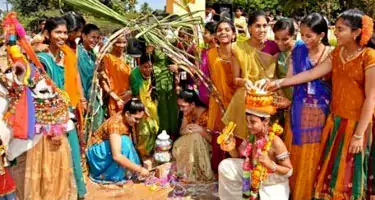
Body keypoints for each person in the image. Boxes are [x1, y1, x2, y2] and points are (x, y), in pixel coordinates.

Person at [266, 9, 375, 199]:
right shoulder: (338, 54)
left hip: (357, 124)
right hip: (336, 120)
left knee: (351, 173)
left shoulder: (369, 57)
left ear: (356, 32)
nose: (336, 33)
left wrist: (359, 135)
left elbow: (371, 98)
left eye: (341, 29)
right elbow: (310, 74)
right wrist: (278, 83)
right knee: (333, 173)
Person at [283, 13, 332, 200]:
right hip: (298, 112)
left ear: (321, 35)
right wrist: (277, 87)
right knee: (295, 155)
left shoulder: (331, 54)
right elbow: (290, 78)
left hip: (320, 114)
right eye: (302, 35)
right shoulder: (298, 51)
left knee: (313, 156)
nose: (304, 40)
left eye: (309, 36)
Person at [37, 17, 87, 198]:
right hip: (50, 118)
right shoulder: (42, 60)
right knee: (54, 161)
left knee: (73, 155)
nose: (62, 36)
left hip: (67, 114)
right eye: (57, 32)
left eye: (65, 32)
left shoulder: (66, 55)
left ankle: (77, 193)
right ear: (47, 34)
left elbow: (73, 78)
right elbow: (41, 95)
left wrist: (79, 99)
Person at [219, 90, 292, 200]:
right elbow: (238, 157)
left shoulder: (275, 141)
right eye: (247, 121)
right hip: (251, 173)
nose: (248, 125)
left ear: (266, 121)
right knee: (226, 166)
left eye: (253, 122)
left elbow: (289, 171)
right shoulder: (251, 136)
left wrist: (270, 164)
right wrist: (230, 145)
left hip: (272, 181)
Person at [223, 10, 279, 140]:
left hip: (266, 98)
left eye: (265, 26)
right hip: (245, 98)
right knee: (245, 142)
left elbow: (276, 76)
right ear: (249, 28)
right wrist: (244, 82)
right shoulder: (238, 48)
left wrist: (267, 81)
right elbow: (235, 79)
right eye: (257, 26)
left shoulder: (273, 47)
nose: (262, 30)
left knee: (267, 142)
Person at [86, 98, 149, 184]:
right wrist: (140, 169)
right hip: (98, 155)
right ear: (127, 114)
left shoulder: (125, 116)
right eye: (136, 119)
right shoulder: (115, 125)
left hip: (107, 147)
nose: (137, 122)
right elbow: (117, 156)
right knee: (125, 142)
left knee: (125, 141)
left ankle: (129, 171)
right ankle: (110, 175)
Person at [206, 20, 237, 172]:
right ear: (216, 35)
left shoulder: (239, 53)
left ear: (234, 34)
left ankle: (236, 173)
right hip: (218, 103)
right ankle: (219, 174)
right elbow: (205, 78)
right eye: (219, 30)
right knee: (219, 139)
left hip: (236, 102)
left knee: (236, 138)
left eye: (227, 29)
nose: (223, 32)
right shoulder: (210, 54)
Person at [172, 90, 213, 182]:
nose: (181, 109)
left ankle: (195, 171)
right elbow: (181, 131)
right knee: (190, 138)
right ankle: (187, 170)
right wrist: (185, 130)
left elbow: (212, 140)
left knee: (196, 136)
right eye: (180, 106)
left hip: (204, 150)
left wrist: (201, 131)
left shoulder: (207, 115)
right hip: (189, 147)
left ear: (193, 104)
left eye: (183, 106)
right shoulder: (187, 114)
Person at [130, 53, 159, 158]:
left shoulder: (152, 73)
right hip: (139, 105)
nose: (148, 69)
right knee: (144, 132)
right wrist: (143, 108)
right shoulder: (134, 75)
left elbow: (150, 88)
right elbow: (137, 95)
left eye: (150, 67)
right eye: (145, 67)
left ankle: (151, 151)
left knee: (154, 127)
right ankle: (143, 154)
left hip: (150, 103)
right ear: (140, 65)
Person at [77, 23, 105, 133]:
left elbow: (96, 72)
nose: (95, 40)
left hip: (94, 96)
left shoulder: (92, 54)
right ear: (84, 36)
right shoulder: (78, 53)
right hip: (84, 97)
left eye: (98, 38)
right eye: (93, 37)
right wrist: (82, 99)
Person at [101, 32, 132, 116]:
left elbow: (133, 79)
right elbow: (103, 82)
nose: (121, 45)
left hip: (128, 97)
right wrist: (116, 98)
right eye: (118, 42)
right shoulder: (106, 58)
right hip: (113, 98)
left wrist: (129, 92)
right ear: (112, 42)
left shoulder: (129, 59)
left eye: (124, 42)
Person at [273, 18, 296, 100]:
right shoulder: (276, 52)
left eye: (285, 39)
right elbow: (275, 74)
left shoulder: (302, 50)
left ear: (293, 36)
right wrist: (282, 95)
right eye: (277, 38)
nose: (280, 43)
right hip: (284, 100)